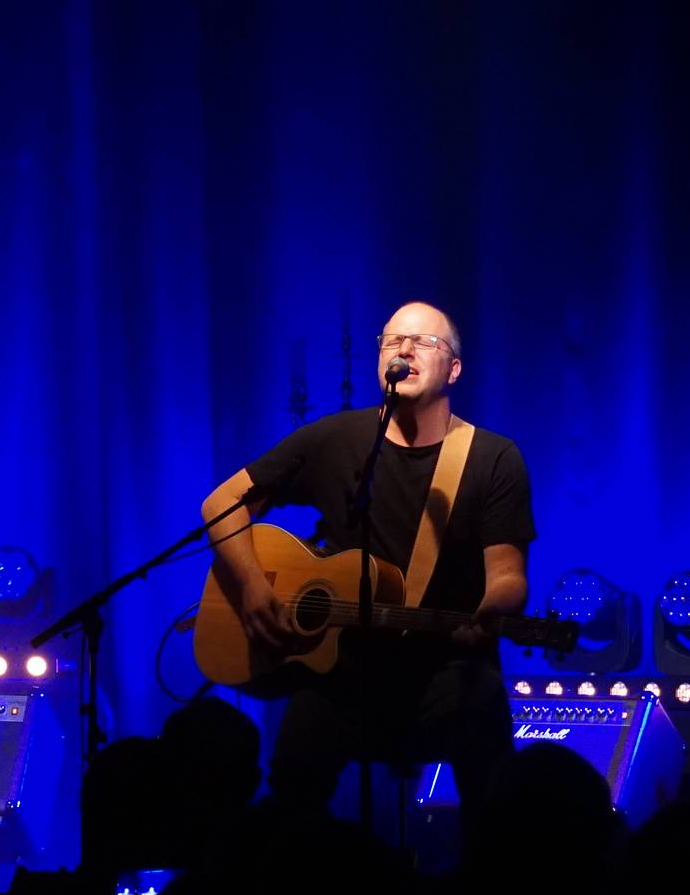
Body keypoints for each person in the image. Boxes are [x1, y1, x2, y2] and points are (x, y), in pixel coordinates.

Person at [198, 301, 532, 811]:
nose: (404, 348)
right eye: (393, 340)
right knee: (291, 787)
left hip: (442, 669)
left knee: (485, 734)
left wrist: (493, 609)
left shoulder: (492, 458)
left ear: (455, 369)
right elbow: (222, 503)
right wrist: (252, 588)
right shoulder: (337, 439)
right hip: (342, 675)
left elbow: (507, 574)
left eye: (424, 342)